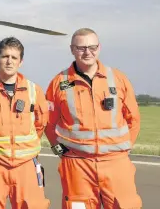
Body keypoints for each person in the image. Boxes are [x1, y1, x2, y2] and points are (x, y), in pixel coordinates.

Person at [45, 28, 142, 209]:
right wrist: (59, 149)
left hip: (115, 162)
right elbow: (48, 122)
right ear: (72, 49)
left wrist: (124, 149)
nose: (87, 52)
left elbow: (133, 119)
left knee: (125, 205)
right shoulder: (59, 83)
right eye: (81, 48)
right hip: (77, 163)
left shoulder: (118, 79)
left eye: (92, 47)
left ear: (99, 48)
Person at [0, 37, 50, 209]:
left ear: (20, 62)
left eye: (14, 57)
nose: (9, 61)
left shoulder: (33, 90)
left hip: (26, 164)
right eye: (5, 56)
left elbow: (40, 123)